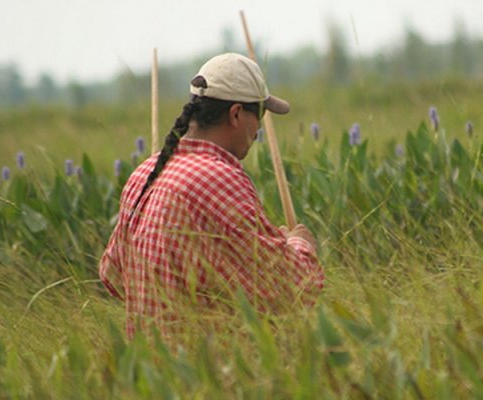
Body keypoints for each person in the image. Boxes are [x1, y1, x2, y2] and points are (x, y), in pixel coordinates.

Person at [99, 53, 324, 341]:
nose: (258, 130)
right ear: (236, 114)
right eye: (261, 115)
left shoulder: (144, 173)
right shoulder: (220, 180)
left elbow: (113, 276)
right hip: (204, 374)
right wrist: (299, 245)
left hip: (146, 375)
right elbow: (288, 291)